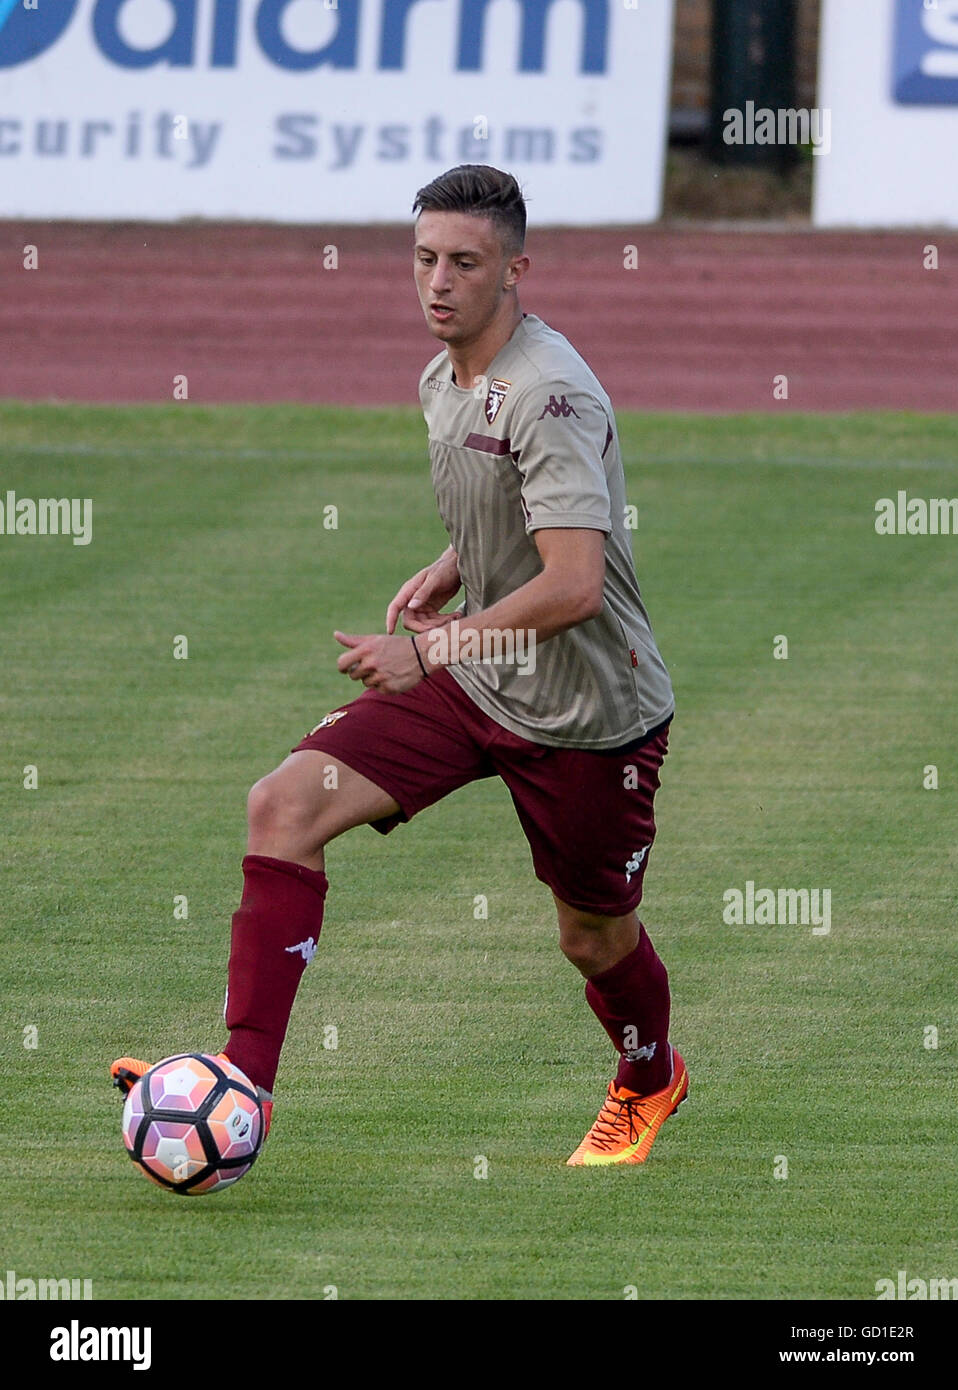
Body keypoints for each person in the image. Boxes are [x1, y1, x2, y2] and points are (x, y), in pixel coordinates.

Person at [112, 164, 687, 1166]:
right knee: (283, 805)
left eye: (465, 263)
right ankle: (241, 1082)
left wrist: (425, 648)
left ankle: (649, 1076)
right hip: (477, 679)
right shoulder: (443, 377)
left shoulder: (548, 393)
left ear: (516, 268)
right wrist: (452, 562)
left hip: (588, 713)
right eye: (425, 259)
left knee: (592, 935)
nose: (439, 283)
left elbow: (574, 586)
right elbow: (506, 514)